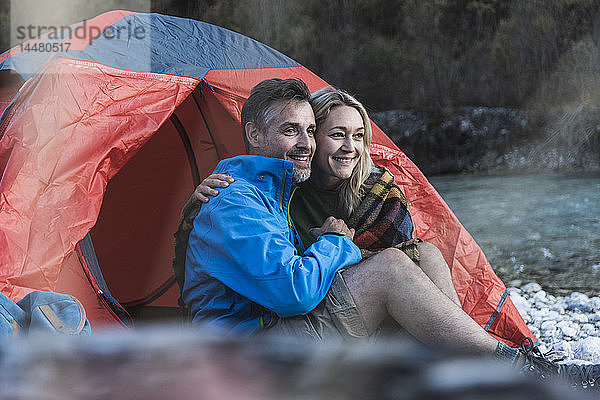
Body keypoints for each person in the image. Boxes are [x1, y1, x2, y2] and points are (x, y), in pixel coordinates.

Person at [182, 78, 600, 387]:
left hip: (275, 328)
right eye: (293, 130)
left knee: (424, 256)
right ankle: (521, 374)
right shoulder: (239, 199)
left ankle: (470, 374)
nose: (307, 142)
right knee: (391, 270)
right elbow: (294, 290)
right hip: (255, 354)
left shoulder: (277, 189)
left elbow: (294, 274)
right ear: (254, 134)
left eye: (310, 129)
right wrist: (336, 243)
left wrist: (338, 248)